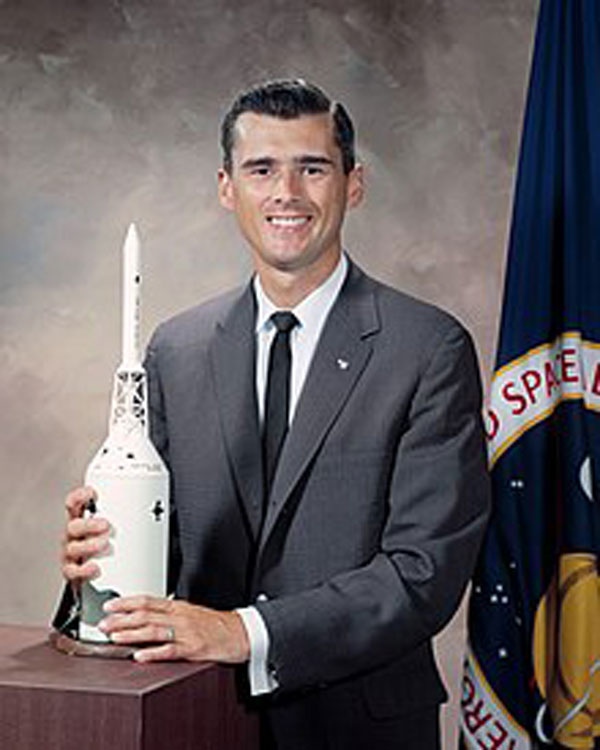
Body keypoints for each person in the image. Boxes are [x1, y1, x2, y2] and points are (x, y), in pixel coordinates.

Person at [55, 79, 490, 749]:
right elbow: (167, 556)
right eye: (262, 169)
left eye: (312, 168)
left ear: (354, 184)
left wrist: (246, 633)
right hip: (194, 717)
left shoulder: (427, 349)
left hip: (358, 730)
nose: (286, 191)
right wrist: (101, 572)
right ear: (228, 188)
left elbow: (422, 573)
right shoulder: (177, 348)